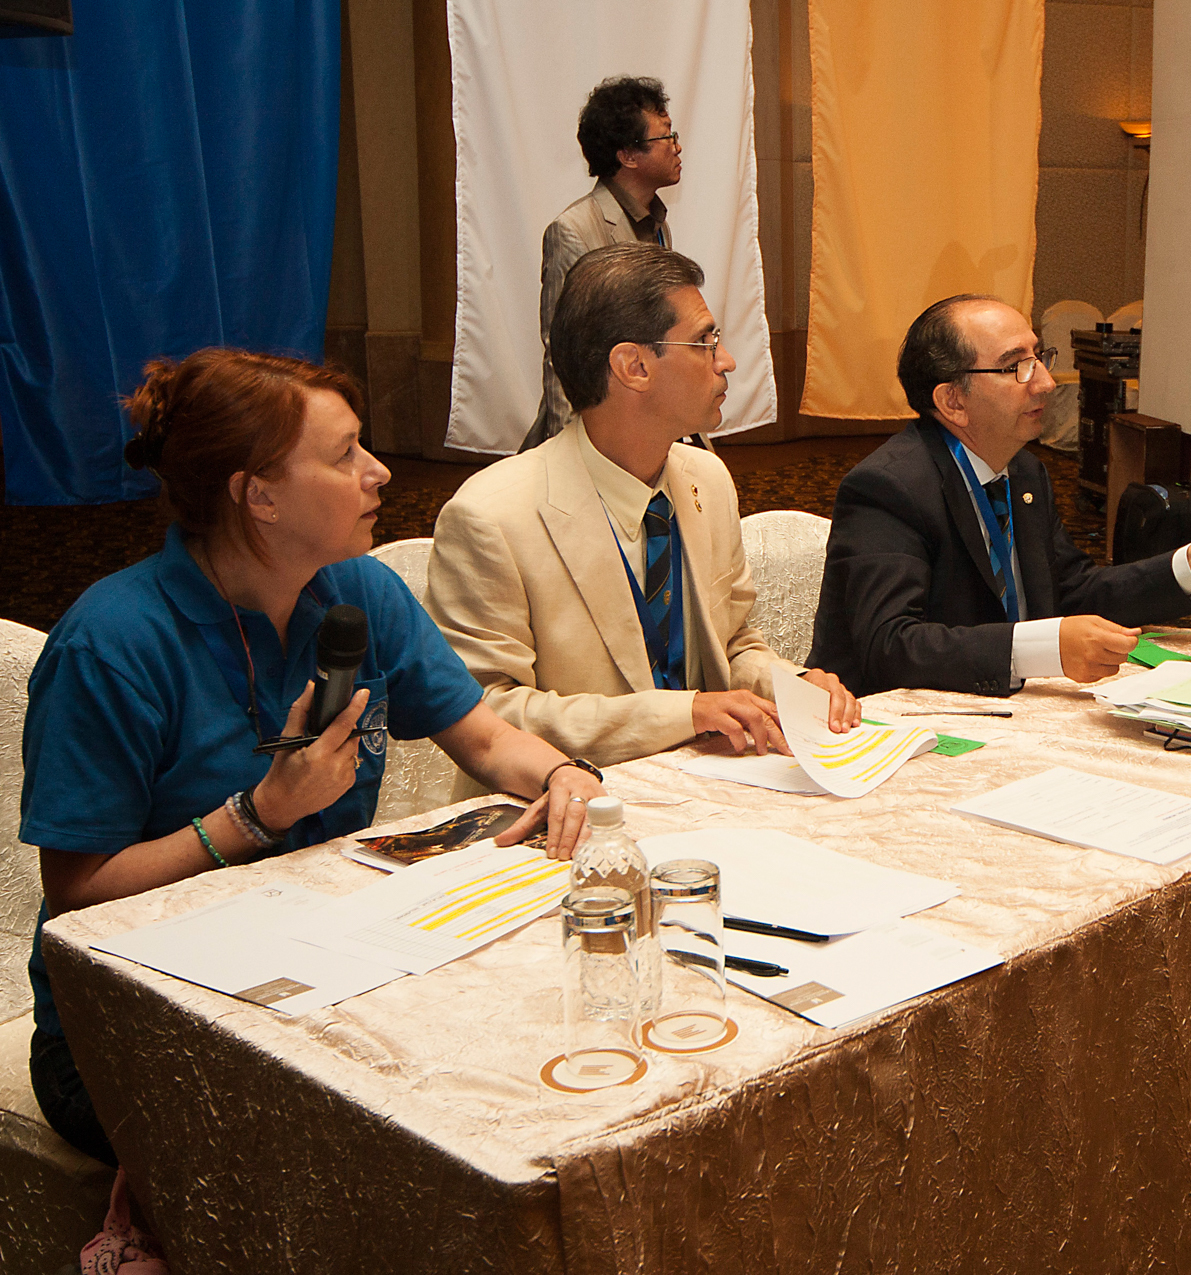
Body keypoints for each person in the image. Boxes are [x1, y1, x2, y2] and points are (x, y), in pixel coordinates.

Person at [23, 350, 607, 1165]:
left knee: (534, 1052)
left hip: (320, 963)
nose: (379, 472)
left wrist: (562, 773)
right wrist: (257, 815)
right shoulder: (113, 644)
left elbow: (483, 737)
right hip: (127, 1022)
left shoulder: (357, 590)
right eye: (344, 455)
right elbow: (78, 893)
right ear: (259, 496)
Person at [428, 243, 858, 768]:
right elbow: (487, 714)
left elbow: (733, 644)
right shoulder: (492, 516)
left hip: (709, 781)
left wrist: (794, 686)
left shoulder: (706, 479)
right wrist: (680, 715)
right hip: (571, 798)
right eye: (705, 342)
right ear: (633, 366)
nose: (726, 361)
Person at [807, 295, 1191, 698]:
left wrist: (1190, 566)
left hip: (1004, 707)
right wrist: (1042, 647)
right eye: (1016, 367)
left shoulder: (1025, 472)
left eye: (1039, 357)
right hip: (897, 726)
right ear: (953, 401)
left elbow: (1070, 591)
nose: (1046, 383)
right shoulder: (889, 488)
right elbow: (889, 646)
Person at [521, 76, 684, 452]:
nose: (677, 147)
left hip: (645, 419)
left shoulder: (658, 225)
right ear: (628, 156)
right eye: (667, 136)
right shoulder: (573, 230)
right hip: (600, 430)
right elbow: (563, 352)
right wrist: (571, 455)